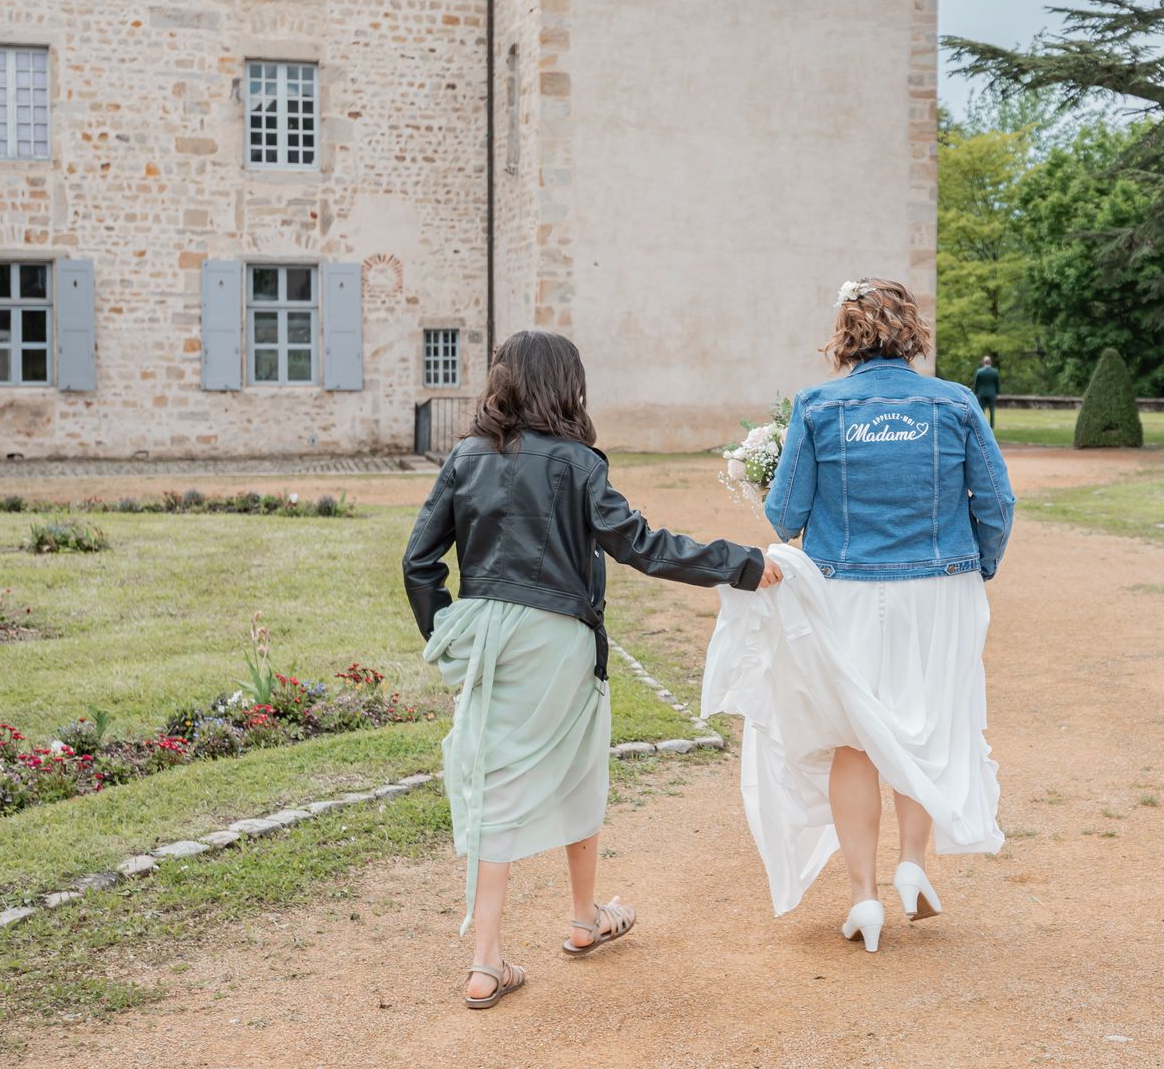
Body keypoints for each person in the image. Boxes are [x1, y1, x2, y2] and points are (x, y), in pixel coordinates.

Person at [403, 330, 780, 1009]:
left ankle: (485, 962)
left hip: (488, 631)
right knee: (579, 765)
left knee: (495, 781)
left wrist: (447, 633)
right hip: (559, 636)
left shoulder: (464, 457)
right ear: (563, 385)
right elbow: (641, 545)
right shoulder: (576, 462)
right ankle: (583, 917)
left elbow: (419, 563)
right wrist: (742, 563)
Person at [702, 278, 1016, 952]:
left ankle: (864, 898)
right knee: (922, 723)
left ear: (845, 334)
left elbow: (786, 516)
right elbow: (997, 501)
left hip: (847, 592)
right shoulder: (956, 402)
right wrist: (975, 567)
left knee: (854, 737)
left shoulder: (817, 406)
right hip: (939, 590)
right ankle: (913, 866)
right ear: (910, 331)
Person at [971, 353, 1001, 427]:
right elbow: (997, 383)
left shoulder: (979, 372)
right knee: (992, 410)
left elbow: (976, 383)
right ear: (990, 362)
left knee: (981, 410)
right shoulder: (995, 372)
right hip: (991, 393)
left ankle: (982, 424)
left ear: (983, 362)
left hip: (982, 393)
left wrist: (976, 392)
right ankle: (992, 425)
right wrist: (997, 392)